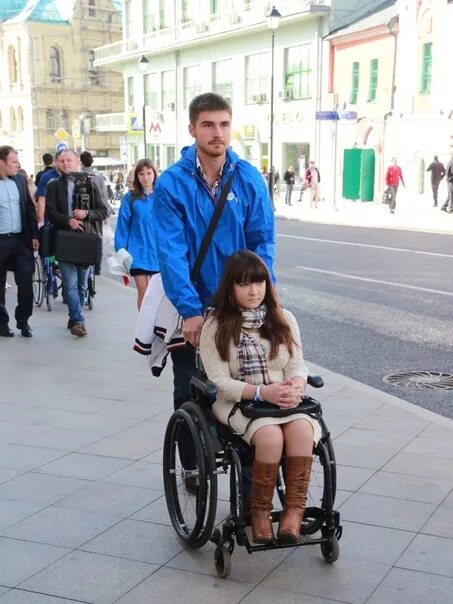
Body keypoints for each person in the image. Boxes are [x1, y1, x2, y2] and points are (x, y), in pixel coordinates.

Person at [152, 92, 275, 488]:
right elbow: (171, 252)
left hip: (240, 307)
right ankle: (191, 463)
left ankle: (251, 470)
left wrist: (259, 296)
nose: (217, 132)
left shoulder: (249, 178)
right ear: (192, 129)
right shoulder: (172, 184)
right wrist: (189, 310)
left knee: (246, 384)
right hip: (195, 308)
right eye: (208, 124)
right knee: (190, 386)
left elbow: (262, 243)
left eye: (223, 124)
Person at [199, 250, 320, 544]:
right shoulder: (215, 325)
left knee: (303, 431)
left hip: (282, 400)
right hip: (241, 401)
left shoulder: (283, 318)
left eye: (259, 282)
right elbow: (218, 380)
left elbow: (296, 361)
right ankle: (261, 513)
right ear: (230, 287)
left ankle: (293, 512)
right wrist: (261, 392)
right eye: (244, 284)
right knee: (271, 438)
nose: (254, 291)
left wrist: (297, 383)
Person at [45, 150, 108, 337]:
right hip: (64, 239)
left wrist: (86, 214)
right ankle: (79, 321)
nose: (66, 164)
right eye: (62, 161)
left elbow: (104, 210)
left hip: (85, 241)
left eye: (69, 160)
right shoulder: (53, 185)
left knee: (82, 285)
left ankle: (75, 315)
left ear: (76, 161)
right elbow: (51, 212)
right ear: (57, 163)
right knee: (70, 284)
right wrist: (68, 220)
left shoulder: (90, 182)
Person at [0, 145, 39, 338]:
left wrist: (33, 236)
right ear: (2, 163)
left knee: (25, 283)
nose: (18, 165)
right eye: (14, 162)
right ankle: (2, 324)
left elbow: (30, 209)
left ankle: (23, 321)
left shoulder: (20, 180)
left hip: (20, 241)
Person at [115, 158, 159, 310]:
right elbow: (123, 225)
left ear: (154, 174)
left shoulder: (163, 196)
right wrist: (120, 250)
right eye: (141, 174)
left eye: (148, 173)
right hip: (137, 253)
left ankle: (158, 328)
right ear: (137, 177)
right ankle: (144, 328)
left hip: (158, 253)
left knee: (158, 294)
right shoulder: (131, 198)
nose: (145, 177)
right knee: (144, 292)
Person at [79, 151, 112, 217]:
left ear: (81, 162)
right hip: (98, 212)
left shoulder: (77, 177)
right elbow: (105, 196)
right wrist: (106, 212)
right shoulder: (99, 177)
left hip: (81, 211)